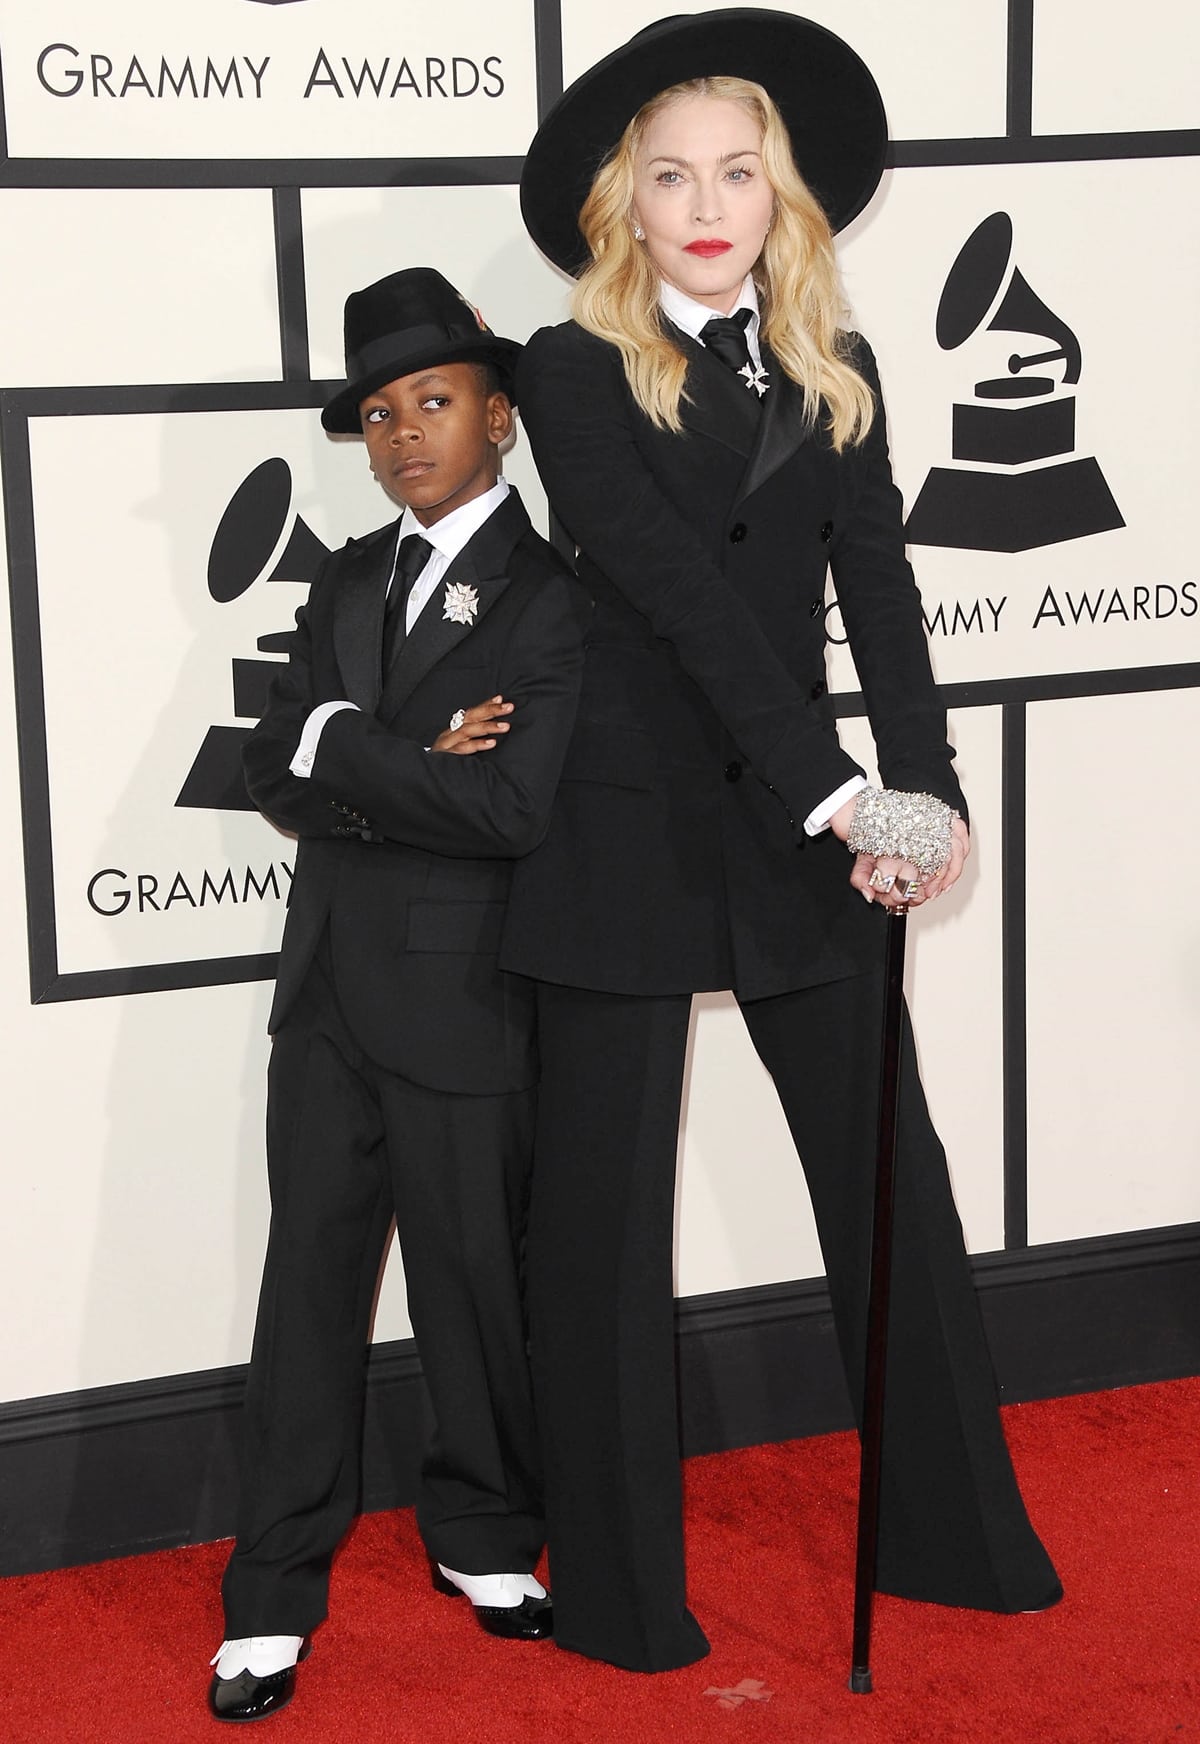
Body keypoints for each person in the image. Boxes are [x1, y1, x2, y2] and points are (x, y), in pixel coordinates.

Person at [503, 10, 1061, 1674]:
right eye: (668, 172)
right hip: (624, 823)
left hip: (803, 818)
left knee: (893, 1185)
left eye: (736, 170)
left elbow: (878, 592)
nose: (706, 200)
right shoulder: (571, 367)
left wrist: (930, 784)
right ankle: (619, 1599)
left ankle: (961, 1542)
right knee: (603, 1227)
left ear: (780, 191)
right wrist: (845, 796)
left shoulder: (844, 366)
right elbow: (676, 600)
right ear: (624, 198)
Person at [207, 267, 588, 1722]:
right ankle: (270, 1592)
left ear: (497, 414)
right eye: (377, 413)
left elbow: (506, 810)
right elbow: (265, 770)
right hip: (323, 1003)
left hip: (463, 1000)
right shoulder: (345, 577)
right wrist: (395, 747)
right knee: (301, 1295)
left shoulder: (554, 601)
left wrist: (342, 745)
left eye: (432, 402)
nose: (402, 434)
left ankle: (486, 1536)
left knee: (472, 1287)